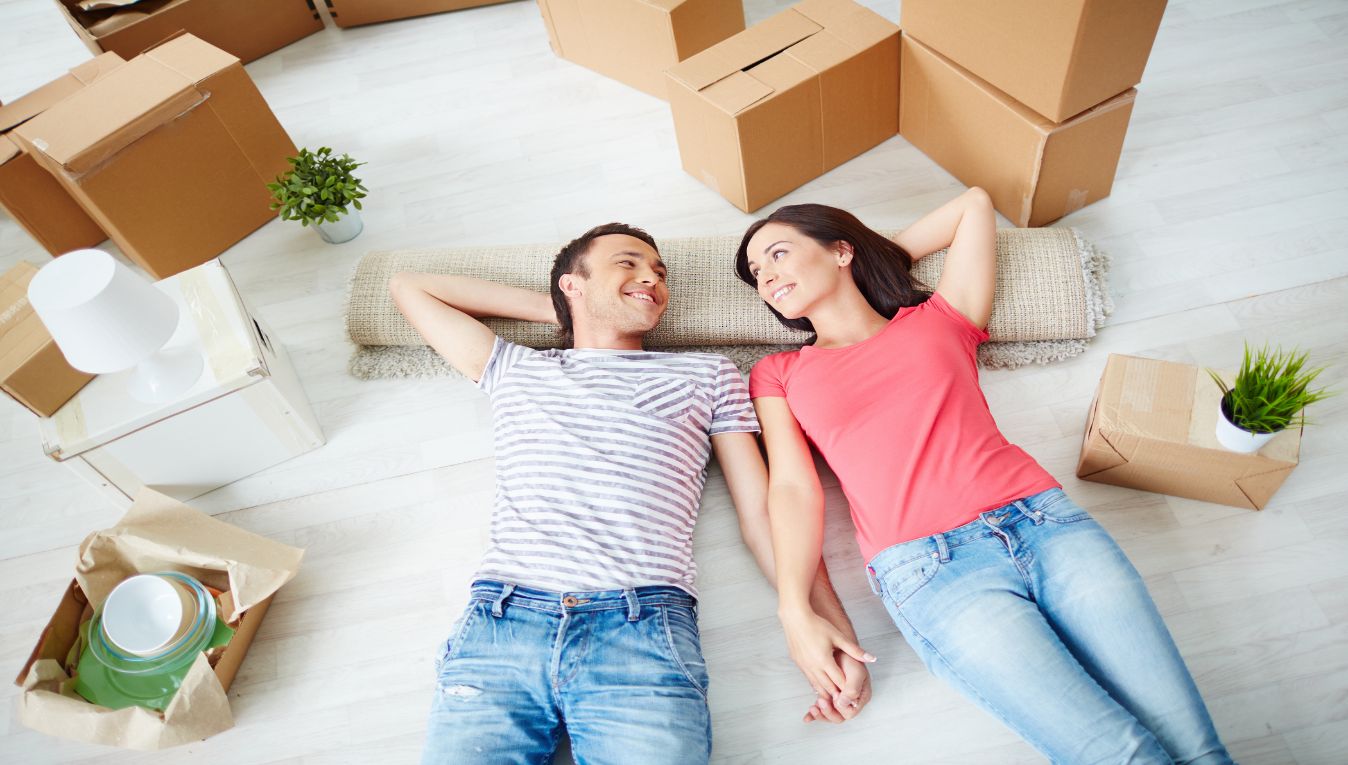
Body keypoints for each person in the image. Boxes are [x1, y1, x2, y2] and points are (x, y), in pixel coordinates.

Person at [737, 190, 1236, 764]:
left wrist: (876, 253)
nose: (766, 278)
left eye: (777, 254)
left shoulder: (941, 318)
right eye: (756, 272)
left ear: (841, 249)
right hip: (932, 571)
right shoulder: (778, 374)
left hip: (1048, 526)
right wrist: (795, 611)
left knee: (1198, 748)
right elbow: (794, 491)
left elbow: (973, 205)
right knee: (1121, 754)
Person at [390, 223, 869, 765]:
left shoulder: (707, 373)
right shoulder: (517, 367)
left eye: (660, 273)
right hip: (505, 623)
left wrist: (822, 619)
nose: (652, 279)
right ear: (573, 283)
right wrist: (573, 311)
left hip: (641, 627)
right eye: (629, 265)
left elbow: (762, 511)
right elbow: (409, 287)